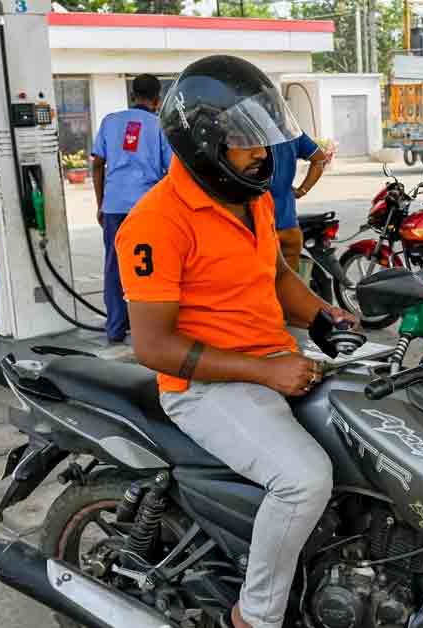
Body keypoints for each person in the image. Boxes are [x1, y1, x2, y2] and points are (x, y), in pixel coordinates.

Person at [115, 55, 354, 628]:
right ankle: (255, 616)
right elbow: (153, 347)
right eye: (247, 142)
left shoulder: (254, 200)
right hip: (203, 387)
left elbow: (276, 279)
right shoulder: (155, 224)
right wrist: (267, 372)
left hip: (273, 360)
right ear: (203, 145)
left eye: (264, 139)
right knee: (303, 480)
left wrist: (330, 321)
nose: (264, 155)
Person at [91, 73, 172, 343]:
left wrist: (101, 203)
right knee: (149, 267)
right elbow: (171, 172)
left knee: (114, 265)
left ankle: (115, 328)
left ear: (132, 95)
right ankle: (147, 330)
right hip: (147, 208)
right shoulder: (160, 126)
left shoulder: (110, 122)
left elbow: (97, 164)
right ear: (158, 100)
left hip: (114, 205)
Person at [270, 132, 329, 271]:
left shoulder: (245, 133)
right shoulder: (289, 132)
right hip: (289, 225)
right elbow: (319, 159)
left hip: (258, 229)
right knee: (289, 282)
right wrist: (302, 190)